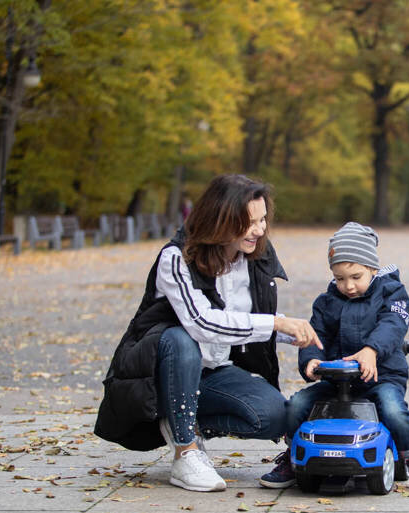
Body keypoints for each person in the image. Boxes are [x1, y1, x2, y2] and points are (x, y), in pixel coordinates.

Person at [94, 174, 322, 492]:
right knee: (181, 339)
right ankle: (185, 452)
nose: (260, 230)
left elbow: (245, 317)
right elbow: (201, 323)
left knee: (274, 416)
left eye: (263, 220)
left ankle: (181, 422)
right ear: (221, 220)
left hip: (215, 371)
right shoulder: (177, 258)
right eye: (250, 222)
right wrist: (274, 324)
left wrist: (298, 332)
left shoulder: (255, 256)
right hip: (162, 371)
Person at [285, 222, 409, 491]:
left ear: (373, 269)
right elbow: (316, 335)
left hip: (382, 377)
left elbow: (393, 324)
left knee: (392, 409)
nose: (348, 286)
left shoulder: (391, 294)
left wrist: (372, 351)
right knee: (298, 405)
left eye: (356, 276)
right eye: (340, 278)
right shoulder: (326, 302)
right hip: (337, 381)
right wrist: (311, 359)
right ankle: (293, 456)